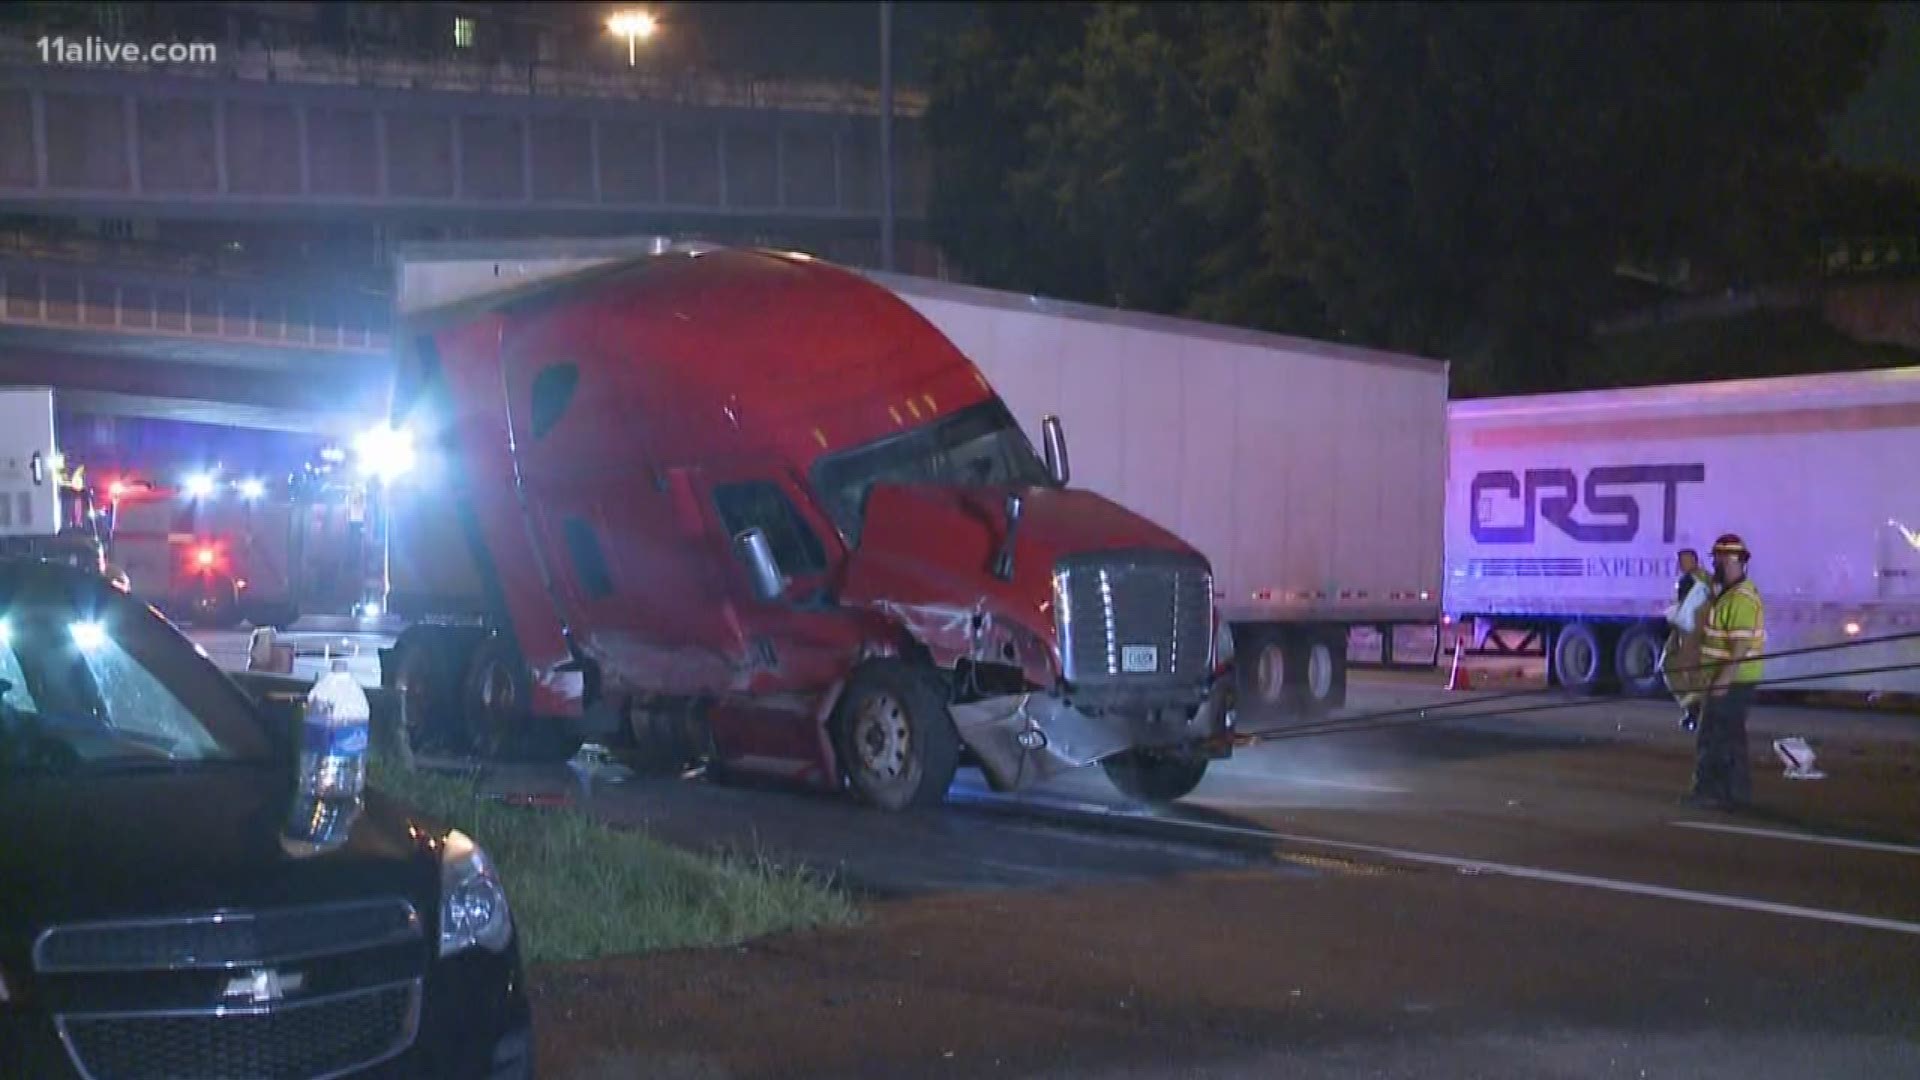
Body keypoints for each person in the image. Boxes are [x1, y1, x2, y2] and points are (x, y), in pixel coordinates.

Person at [1685, 534, 1765, 810]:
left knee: (1714, 738)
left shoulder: (1740, 598)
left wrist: (1722, 682)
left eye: (1717, 560)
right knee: (1729, 738)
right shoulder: (1729, 594)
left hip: (1733, 682)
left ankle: (1710, 792)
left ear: (1731, 560)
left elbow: (1739, 647)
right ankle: (1734, 795)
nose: (1714, 565)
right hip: (1729, 680)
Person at [1661, 549, 1715, 732]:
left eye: (1685, 561)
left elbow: (1692, 610)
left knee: (1680, 668)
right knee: (1679, 669)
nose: (1682, 565)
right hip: (1690, 631)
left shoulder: (1695, 582)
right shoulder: (1701, 580)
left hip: (1692, 632)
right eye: (1681, 561)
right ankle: (1693, 710)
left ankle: (1694, 712)